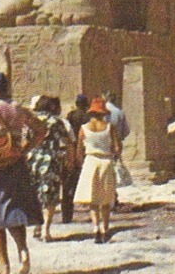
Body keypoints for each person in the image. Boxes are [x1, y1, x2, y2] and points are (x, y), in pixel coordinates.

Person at [0, 71, 47, 274]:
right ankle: (23, 249)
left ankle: (4, 267)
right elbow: (41, 129)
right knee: (14, 209)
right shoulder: (18, 108)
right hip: (16, 163)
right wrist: (26, 147)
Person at [26, 95, 72, 242]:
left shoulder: (32, 121)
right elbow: (66, 141)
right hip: (51, 160)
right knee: (50, 195)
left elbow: (27, 140)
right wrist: (70, 160)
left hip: (33, 160)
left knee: (34, 194)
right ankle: (46, 229)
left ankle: (36, 226)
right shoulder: (56, 121)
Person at [73, 96, 119, 243]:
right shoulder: (110, 127)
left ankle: (95, 227)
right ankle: (105, 229)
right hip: (105, 161)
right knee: (105, 199)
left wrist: (80, 163)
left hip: (90, 161)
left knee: (92, 199)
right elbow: (117, 147)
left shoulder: (84, 128)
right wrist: (114, 157)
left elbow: (79, 149)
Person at [63, 93, 91, 224]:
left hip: (72, 148)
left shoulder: (71, 115)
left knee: (69, 182)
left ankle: (67, 213)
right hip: (84, 148)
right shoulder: (88, 117)